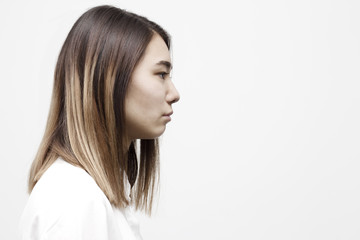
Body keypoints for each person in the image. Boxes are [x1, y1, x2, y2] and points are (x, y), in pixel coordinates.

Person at [19, 5, 180, 240]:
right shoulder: (73, 200)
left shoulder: (90, 197)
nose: (174, 93)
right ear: (109, 79)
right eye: (161, 75)